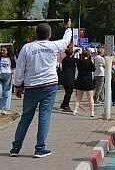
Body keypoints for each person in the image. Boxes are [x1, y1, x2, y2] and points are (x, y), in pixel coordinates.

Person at [10, 20, 72, 158]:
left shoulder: (27, 48)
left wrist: (18, 85)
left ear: (36, 34)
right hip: (49, 85)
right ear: (49, 34)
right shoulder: (53, 45)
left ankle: (16, 147)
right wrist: (68, 28)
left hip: (31, 86)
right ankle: (40, 148)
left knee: (25, 117)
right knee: (44, 116)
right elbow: (66, 41)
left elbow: (20, 68)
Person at [73, 48, 96, 117]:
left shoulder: (79, 61)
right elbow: (93, 69)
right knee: (90, 98)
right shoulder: (89, 62)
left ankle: (75, 110)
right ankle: (92, 112)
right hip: (88, 81)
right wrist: (92, 61)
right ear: (89, 55)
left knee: (78, 98)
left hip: (80, 81)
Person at [59, 48, 76, 112]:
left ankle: (63, 104)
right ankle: (66, 106)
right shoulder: (71, 60)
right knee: (69, 92)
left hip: (64, 78)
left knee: (67, 92)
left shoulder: (65, 59)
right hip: (69, 78)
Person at [0, 45, 16, 114]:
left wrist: (14, 79)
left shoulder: (11, 58)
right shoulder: (0, 58)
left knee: (6, 93)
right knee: (0, 91)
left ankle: (4, 108)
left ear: (8, 51)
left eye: (4, 50)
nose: (2, 51)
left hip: (8, 76)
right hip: (0, 75)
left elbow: (13, 68)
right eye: (2, 50)